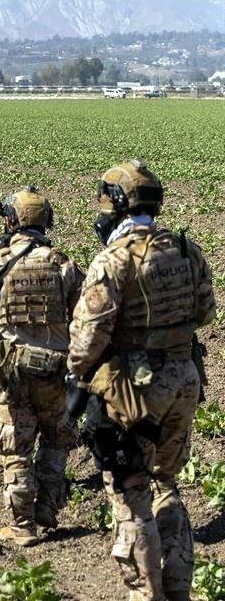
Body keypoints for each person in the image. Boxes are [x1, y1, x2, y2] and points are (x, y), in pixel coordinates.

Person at [67, 160, 216, 601]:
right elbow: (206, 313)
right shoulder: (187, 250)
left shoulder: (112, 260)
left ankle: (145, 595)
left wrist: (76, 378)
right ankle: (178, 589)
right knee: (167, 484)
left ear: (116, 203)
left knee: (131, 492)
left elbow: (88, 336)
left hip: (133, 390)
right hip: (185, 380)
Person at [0, 187, 83, 546]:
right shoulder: (64, 265)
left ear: (12, 221)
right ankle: (48, 508)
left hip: (12, 371)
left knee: (14, 444)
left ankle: (23, 523)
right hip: (57, 369)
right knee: (57, 438)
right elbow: (87, 318)